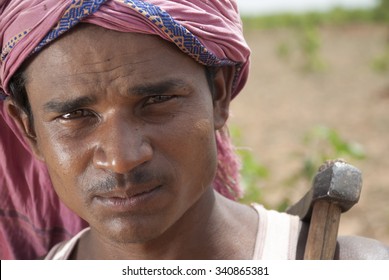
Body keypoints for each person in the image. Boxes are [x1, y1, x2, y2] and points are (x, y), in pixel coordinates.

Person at [0, 0, 388, 260]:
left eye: (156, 101)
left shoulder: (345, 263)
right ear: (28, 129)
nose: (122, 158)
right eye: (75, 115)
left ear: (219, 96)